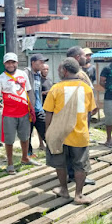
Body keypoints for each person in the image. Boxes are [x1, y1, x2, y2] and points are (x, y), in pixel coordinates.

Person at [44, 58, 97, 205]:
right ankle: (79, 195)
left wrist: (48, 134)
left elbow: (48, 114)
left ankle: (64, 190)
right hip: (80, 134)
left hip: (59, 134)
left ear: (65, 71)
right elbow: (90, 111)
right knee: (81, 165)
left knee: (60, 163)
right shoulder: (86, 88)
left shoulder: (56, 88)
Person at [0, 52, 41, 175]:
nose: (10, 65)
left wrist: (32, 107)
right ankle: (10, 164)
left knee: (25, 137)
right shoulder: (0, 78)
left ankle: (25, 158)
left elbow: (29, 91)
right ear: (4, 64)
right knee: (9, 140)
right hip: (9, 115)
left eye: (13, 62)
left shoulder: (23, 74)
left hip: (24, 113)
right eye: (8, 62)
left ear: (17, 63)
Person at [66, 46, 96, 185]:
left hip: (77, 113)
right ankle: (77, 175)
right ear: (78, 57)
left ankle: (73, 173)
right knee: (79, 146)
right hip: (79, 114)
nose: (86, 57)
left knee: (73, 145)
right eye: (84, 55)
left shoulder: (72, 71)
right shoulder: (75, 73)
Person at [24, 54, 49, 154]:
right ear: (33, 63)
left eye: (43, 62)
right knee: (28, 133)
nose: (43, 65)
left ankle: (52, 151)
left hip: (39, 109)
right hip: (28, 109)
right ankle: (28, 154)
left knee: (45, 130)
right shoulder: (26, 73)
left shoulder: (39, 75)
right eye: (41, 62)